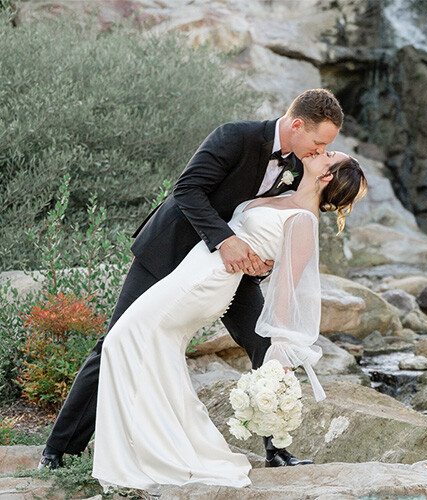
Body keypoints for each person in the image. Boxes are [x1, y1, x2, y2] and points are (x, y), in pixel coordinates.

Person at [40, 89, 344, 470]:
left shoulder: (300, 168)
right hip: (171, 252)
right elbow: (186, 190)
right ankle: (58, 450)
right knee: (117, 339)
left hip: (234, 273)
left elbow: (274, 225)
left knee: (267, 348)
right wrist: (225, 241)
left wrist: (263, 264)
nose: (319, 152)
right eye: (318, 143)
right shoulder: (236, 136)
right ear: (297, 125)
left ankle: (277, 449)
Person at [92, 151, 368, 489]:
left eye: (327, 155)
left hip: (208, 282)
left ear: (326, 176)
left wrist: (278, 354)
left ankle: (153, 453)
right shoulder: (284, 196)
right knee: (152, 350)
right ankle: (161, 449)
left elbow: (287, 291)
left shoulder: (303, 221)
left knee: (122, 340)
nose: (318, 151)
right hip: (194, 268)